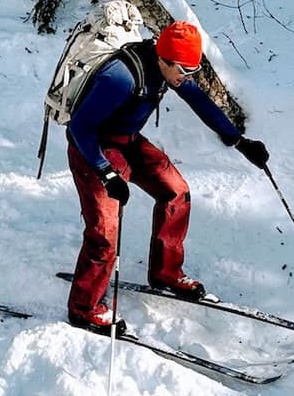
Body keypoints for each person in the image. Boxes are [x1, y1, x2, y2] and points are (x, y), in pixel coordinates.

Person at [65, 21, 268, 335]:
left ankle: (166, 273)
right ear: (164, 59)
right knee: (105, 232)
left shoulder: (168, 69)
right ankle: (85, 309)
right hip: (92, 149)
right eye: (183, 70)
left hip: (127, 140)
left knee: (177, 191)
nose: (186, 77)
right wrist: (106, 172)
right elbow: (79, 128)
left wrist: (238, 141)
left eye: (192, 69)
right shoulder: (120, 77)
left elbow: (199, 100)